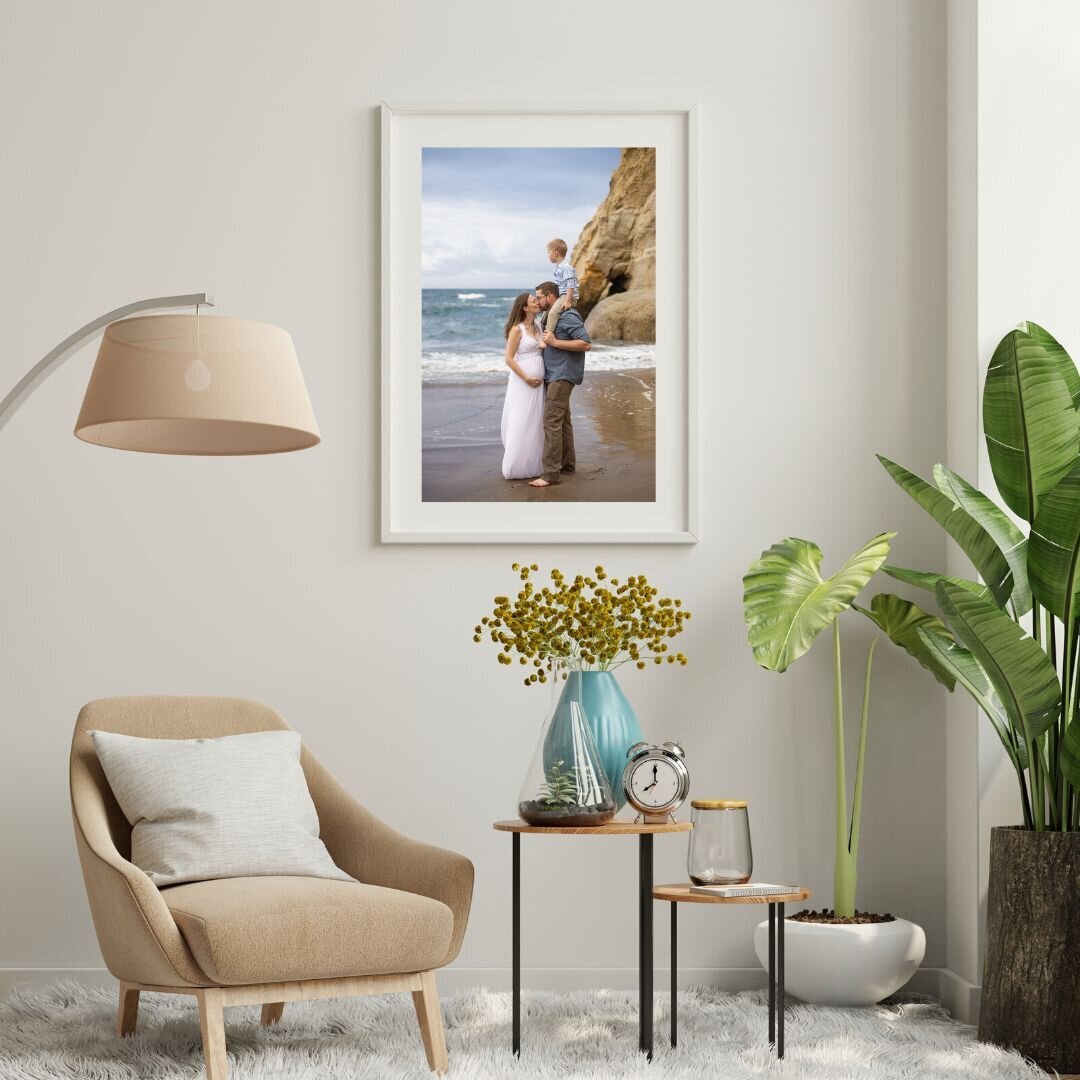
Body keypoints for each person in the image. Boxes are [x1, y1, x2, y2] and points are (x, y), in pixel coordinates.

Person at [530, 281, 591, 489]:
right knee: (562, 421)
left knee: (551, 421)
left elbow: (585, 343)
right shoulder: (550, 317)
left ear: (549, 297)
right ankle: (566, 465)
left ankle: (550, 475)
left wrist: (555, 343)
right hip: (554, 374)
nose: (537, 300)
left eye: (539, 296)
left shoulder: (567, 315)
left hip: (563, 375)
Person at [499, 292, 545, 480]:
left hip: (539, 384)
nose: (537, 301)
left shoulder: (539, 325)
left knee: (536, 422)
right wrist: (526, 378)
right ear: (525, 308)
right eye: (533, 300)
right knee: (521, 420)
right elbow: (508, 359)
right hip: (522, 382)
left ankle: (534, 465)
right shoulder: (517, 330)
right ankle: (515, 467)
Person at [543, 238, 580, 334]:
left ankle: (548, 335)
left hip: (567, 296)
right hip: (561, 295)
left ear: (555, 253)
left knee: (552, 313)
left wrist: (568, 301)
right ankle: (542, 328)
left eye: (548, 252)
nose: (547, 255)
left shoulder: (566, 268)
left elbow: (570, 286)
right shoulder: (558, 268)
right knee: (546, 308)